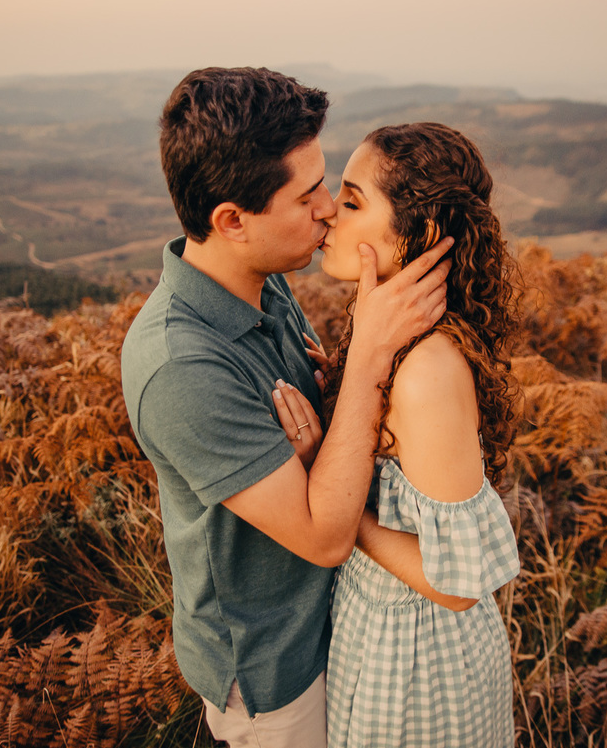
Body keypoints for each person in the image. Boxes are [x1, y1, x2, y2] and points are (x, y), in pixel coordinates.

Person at [119, 67, 452, 748]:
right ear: (233, 221)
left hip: (336, 625)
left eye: (325, 184)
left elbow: (326, 451)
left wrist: (328, 419)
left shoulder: (264, 285)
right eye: (307, 196)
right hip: (276, 674)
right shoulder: (180, 366)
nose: (328, 209)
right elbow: (323, 536)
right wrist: (368, 359)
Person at [314, 122, 522, 747]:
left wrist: (340, 512)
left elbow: (456, 587)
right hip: (381, 636)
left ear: (421, 234)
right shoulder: (393, 345)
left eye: (353, 202)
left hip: (419, 664)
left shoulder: (427, 370)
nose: (328, 212)